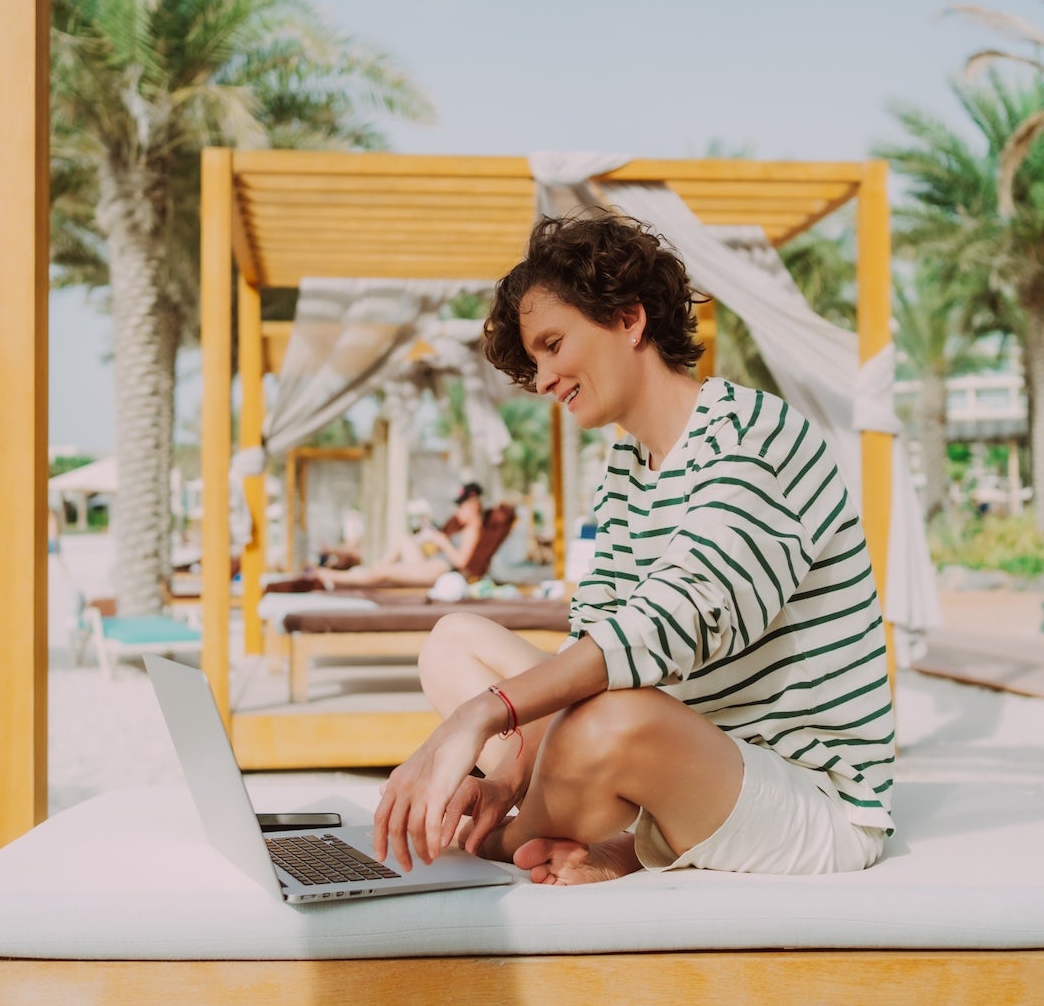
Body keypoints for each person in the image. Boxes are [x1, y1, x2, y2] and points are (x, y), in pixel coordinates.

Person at [372, 212, 895, 887]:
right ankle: (566, 827)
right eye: (535, 361)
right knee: (454, 640)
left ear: (628, 318)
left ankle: (494, 846)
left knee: (604, 724)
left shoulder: (754, 435)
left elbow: (669, 626)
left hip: (808, 800)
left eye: (554, 345)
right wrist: (503, 775)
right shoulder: (626, 469)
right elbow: (597, 646)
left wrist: (482, 715)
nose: (544, 378)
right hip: (692, 753)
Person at [312, 483, 486, 589]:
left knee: (383, 572)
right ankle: (366, 572)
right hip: (434, 564)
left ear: (473, 505)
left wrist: (443, 542)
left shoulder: (472, 529)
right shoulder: (468, 529)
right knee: (402, 539)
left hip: (440, 569)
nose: (458, 511)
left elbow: (462, 562)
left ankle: (331, 576)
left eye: (461, 506)